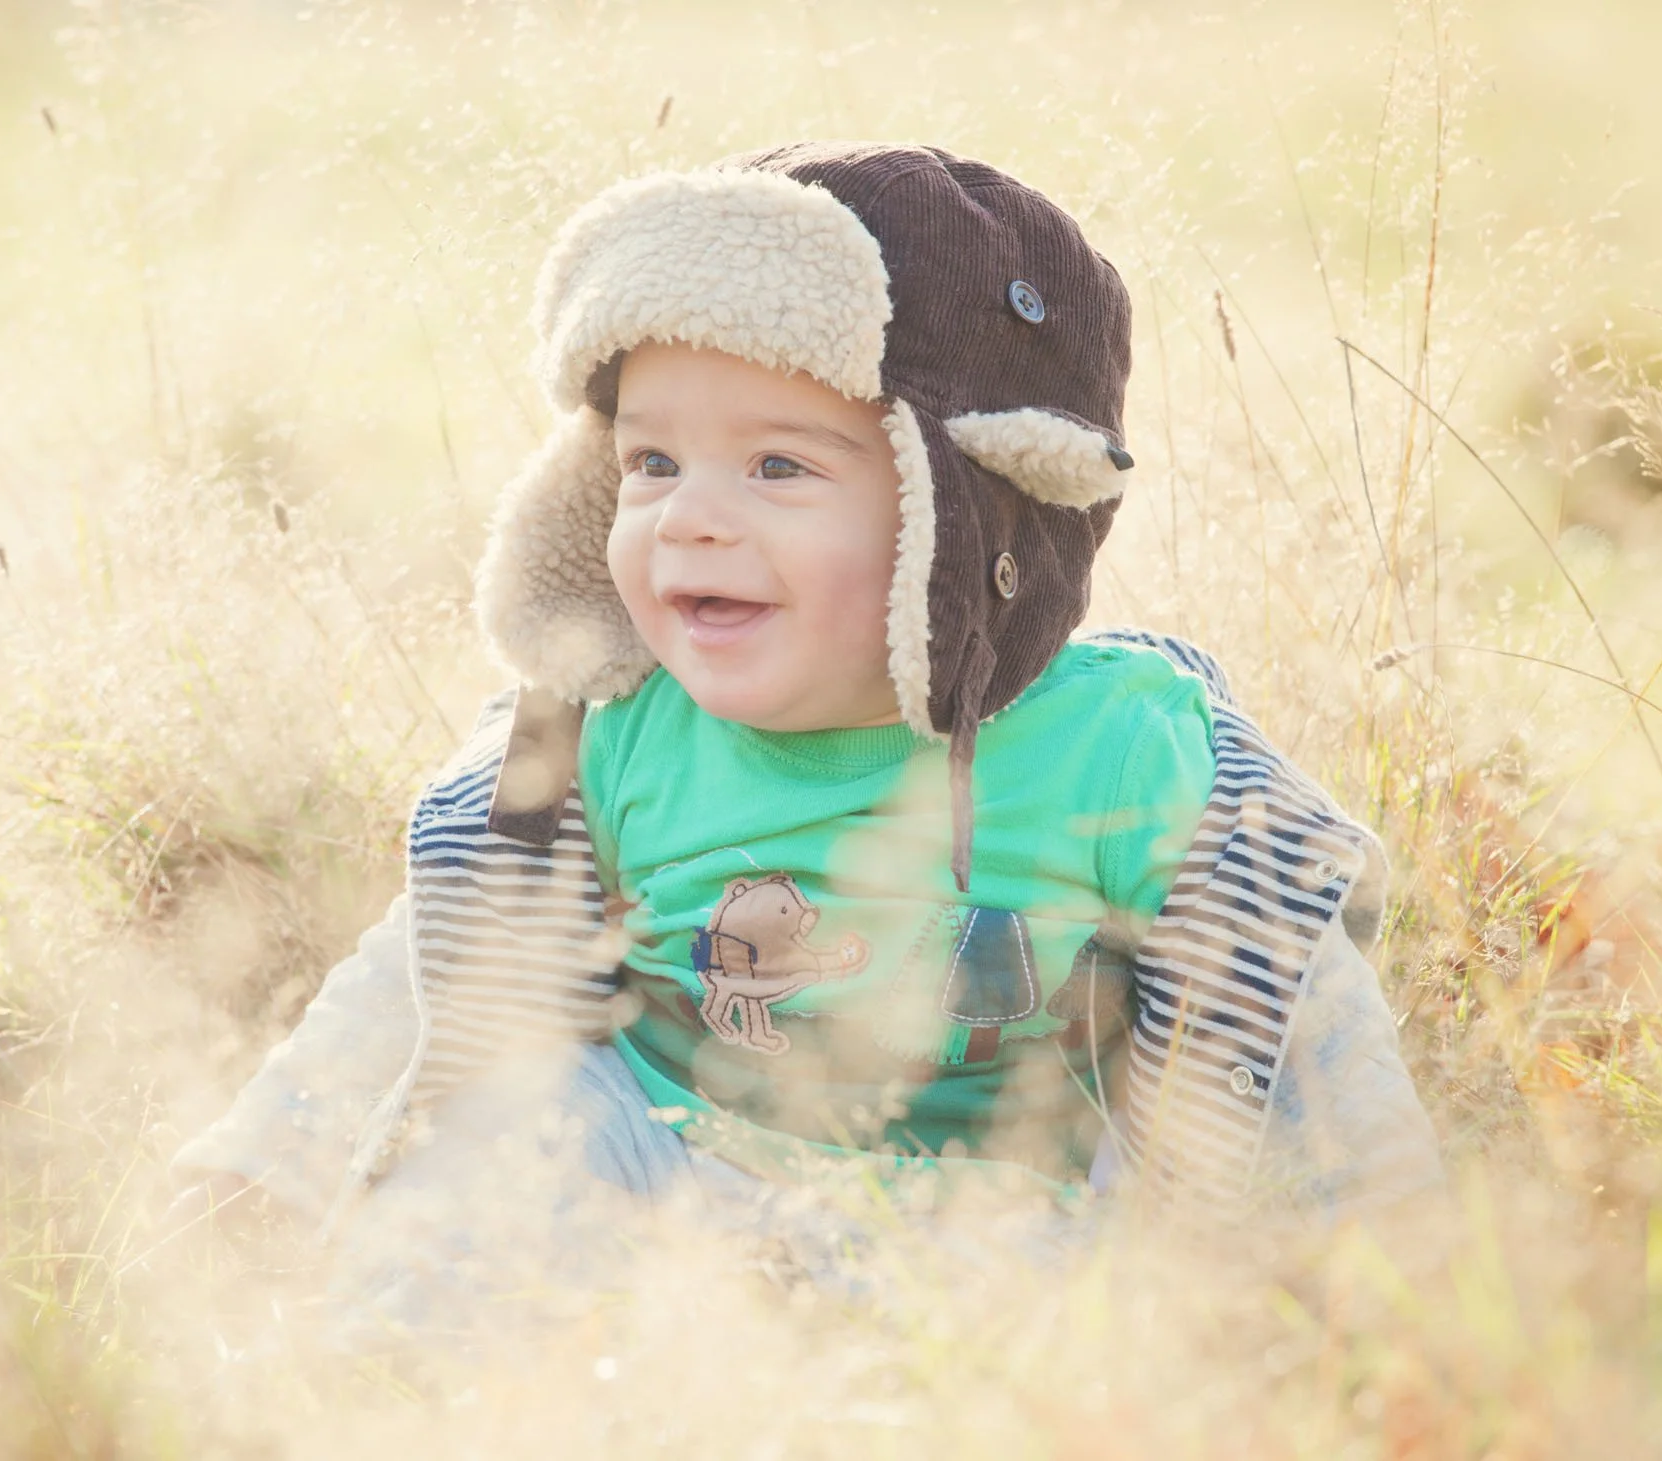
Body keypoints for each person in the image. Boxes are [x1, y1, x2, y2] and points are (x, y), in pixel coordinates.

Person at [167, 142, 1442, 1337]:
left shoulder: (1120, 749)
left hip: (1002, 1224)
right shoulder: (609, 735)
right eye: (651, 461)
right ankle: (399, 1366)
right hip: (667, 1178)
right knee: (513, 1134)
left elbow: (1289, 1007)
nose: (688, 522)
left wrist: (1386, 1250)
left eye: (777, 468)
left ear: (975, 518)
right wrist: (267, 1165)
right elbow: (430, 973)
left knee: (1152, 1269)